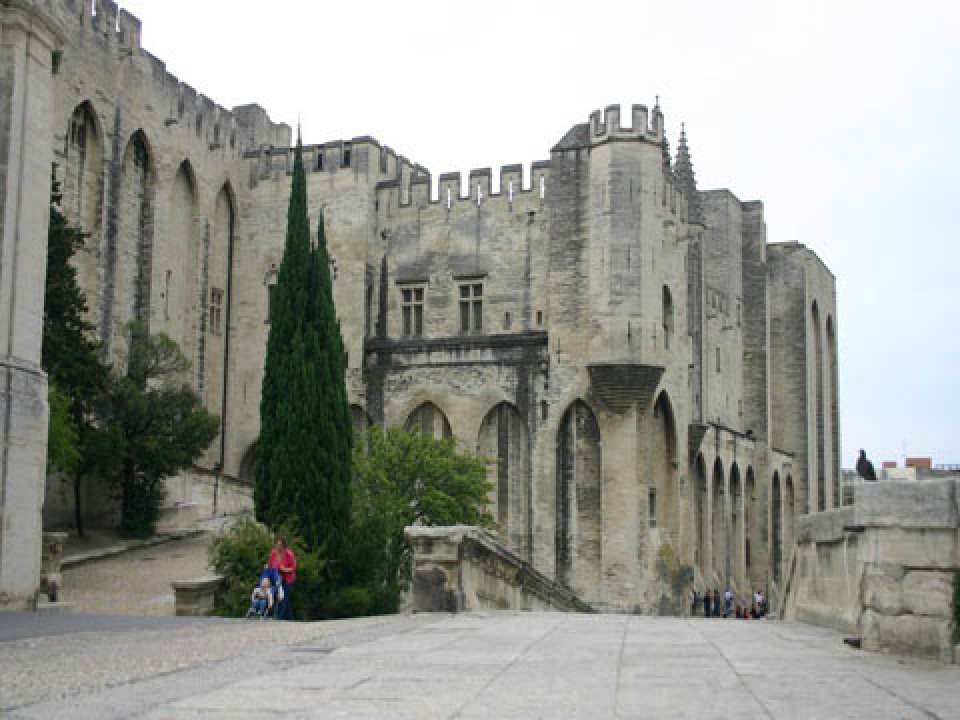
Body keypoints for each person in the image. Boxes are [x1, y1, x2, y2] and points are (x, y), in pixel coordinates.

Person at [268, 537, 297, 620]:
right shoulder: (273, 553)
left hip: (288, 579)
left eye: (280, 545)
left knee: (283, 598)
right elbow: (270, 565)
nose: (278, 546)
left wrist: (285, 569)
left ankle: (278, 617)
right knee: (286, 600)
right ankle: (290, 619)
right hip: (277, 578)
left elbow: (294, 568)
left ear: (284, 546)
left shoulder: (289, 554)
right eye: (277, 544)